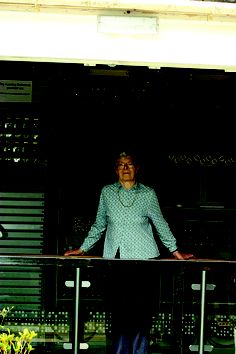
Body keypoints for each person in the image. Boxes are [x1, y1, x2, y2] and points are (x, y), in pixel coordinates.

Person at [64, 150, 194, 354]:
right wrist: (83, 248)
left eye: (130, 164)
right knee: (119, 311)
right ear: (116, 170)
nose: (125, 168)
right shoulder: (107, 192)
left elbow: (160, 223)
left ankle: (139, 351)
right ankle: (119, 351)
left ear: (137, 169)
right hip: (116, 260)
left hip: (144, 260)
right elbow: (99, 224)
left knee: (141, 312)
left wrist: (175, 251)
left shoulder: (148, 194)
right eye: (121, 164)